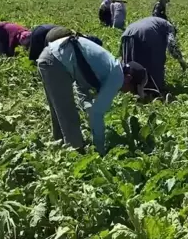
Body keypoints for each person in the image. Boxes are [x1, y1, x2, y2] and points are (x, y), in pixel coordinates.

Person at [36, 27, 148, 155]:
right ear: (128, 78)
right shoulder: (117, 76)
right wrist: (100, 150)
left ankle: (60, 149)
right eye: (132, 89)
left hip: (49, 57)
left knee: (58, 112)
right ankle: (75, 154)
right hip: (55, 61)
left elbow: (81, 83)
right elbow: (97, 113)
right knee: (67, 113)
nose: (128, 93)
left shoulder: (106, 67)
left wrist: (87, 104)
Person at [119, 16, 188, 98]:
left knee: (131, 64)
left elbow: (121, 54)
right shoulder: (170, 27)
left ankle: (129, 90)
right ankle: (154, 92)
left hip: (127, 33)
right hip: (147, 33)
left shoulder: (156, 21)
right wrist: (181, 61)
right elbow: (172, 45)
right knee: (155, 64)